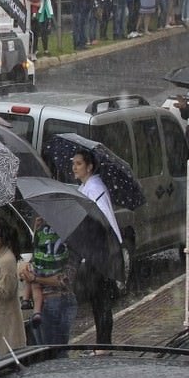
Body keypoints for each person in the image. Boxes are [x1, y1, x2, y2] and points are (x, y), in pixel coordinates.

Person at [73, 149, 121, 352]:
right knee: (97, 300)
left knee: (101, 300)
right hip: (94, 252)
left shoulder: (95, 189)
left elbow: (102, 220)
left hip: (100, 253)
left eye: (79, 164)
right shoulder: (86, 187)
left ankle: (104, 345)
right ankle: (102, 344)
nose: (74, 168)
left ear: (89, 166)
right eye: (74, 163)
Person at [19, 217, 77, 345]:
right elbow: (33, 260)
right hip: (48, 302)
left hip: (56, 300)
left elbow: (64, 280)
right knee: (48, 350)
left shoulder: (67, 243)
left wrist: (35, 278)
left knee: (53, 350)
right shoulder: (46, 237)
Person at [0, 222, 26, 355]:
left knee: (7, 354)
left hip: (6, 318)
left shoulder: (6, 260)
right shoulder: (0, 258)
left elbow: (6, 292)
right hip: (0, 316)